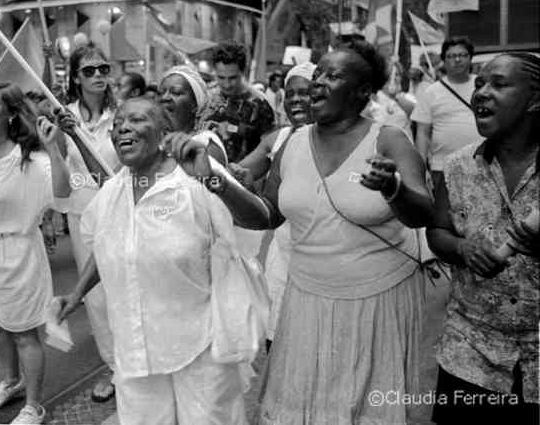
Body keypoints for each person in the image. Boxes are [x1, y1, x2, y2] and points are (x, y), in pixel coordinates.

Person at [170, 40, 435, 424]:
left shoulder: (389, 139)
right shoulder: (292, 142)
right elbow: (265, 216)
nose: (319, 82)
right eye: (319, 73)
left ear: (362, 92)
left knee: (364, 411)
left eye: (334, 75)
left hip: (375, 304)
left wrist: (392, 188)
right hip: (305, 301)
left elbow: (422, 212)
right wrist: (216, 179)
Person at [57, 98, 247, 425]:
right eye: (117, 124)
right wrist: (76, 294)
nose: (122, 129)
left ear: (163, 131)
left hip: (199, 349)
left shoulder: (193, 179)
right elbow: (108, 248)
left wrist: (216, 181)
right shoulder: (112, 190)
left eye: (136, 120)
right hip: (135, 353)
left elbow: (252, 222)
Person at [427, 52, 539, 424]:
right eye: (479, 84)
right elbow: (437, 232)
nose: (481, 93)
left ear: (535, 100)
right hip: (469, 354)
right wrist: (462, 248)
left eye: (499, 84)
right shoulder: (458, 165)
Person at [0, 83, 70, 424]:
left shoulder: (30, 159)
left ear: (10, 112)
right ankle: (12, 381)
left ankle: (34, 405)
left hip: (16, 254)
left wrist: (53, 148)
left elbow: (64, 190)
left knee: (23, 332)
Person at [229, 62, 317, 345]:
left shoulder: (338, 140)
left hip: (323, 257)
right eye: (289, 94)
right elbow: (240, 174)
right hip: (283, 255)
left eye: (305, 93)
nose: (295, 100)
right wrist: (236, 176)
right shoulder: (276, 139)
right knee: (279, 337)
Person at [57, 43, 121, 402]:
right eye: (89, 70)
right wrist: (61, 139)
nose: (98, 75)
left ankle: (136, 361)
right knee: (95, 296)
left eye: (103, 69)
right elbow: (63, 174)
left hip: (123, 209)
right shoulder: (65, 117)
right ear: (76, 78)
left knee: (129, 286)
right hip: (84, 216)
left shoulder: (123, 113)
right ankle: (113, 367)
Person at [412, 37, 483, 192]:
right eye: (451, 56)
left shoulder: (483, 86)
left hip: (483, 164)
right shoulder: (431, 91)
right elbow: (422, 133)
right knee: (446, 215)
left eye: (463, 55)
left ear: (471, 58)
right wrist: (421, 169)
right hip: (442, 167)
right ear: (443, 60)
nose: (457, 60)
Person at [200, 42, 276, 163]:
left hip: (243, 176)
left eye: (232, 78)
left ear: (243, 72)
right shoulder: (205, 99)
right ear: (214, 72)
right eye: (221, 77)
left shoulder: (259, 104)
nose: (227, 84)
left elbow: (269, 148)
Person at [367, 62, 416, 141]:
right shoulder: (372, 98)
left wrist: (395, 97)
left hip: (403, 147)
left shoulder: (407, 97)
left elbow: (416, 113)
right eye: (389, 75)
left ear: (401, 77)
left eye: (396, 74)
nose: (393, 78)